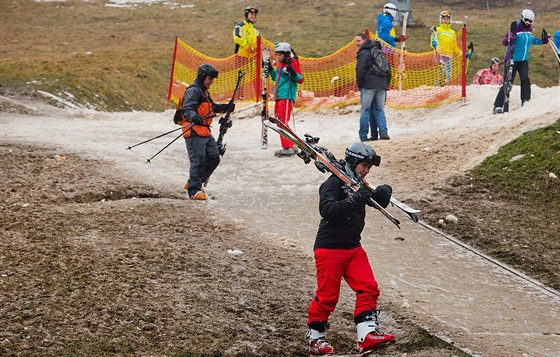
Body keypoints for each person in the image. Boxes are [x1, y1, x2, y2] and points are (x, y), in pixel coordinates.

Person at [306, 142, 395, 356]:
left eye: (369, 168)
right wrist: (354, 200)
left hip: (353, 247)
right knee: (328, 296)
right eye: (363, 165)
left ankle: (367, 336)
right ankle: (315, 340)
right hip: (329, 248)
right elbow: (327, 210)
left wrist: (381, 197)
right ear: (353, 162)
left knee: (369, 287)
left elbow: (368, 199)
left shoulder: (358, 184)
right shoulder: (333, 183)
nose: (366, 170)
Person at [180, 64, 235, 200]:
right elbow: (187, 108)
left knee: (214, 156)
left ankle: (193, 181)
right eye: (210, 79)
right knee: (198, 161)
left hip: (204, 131)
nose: (211, 82)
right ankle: (194, 191)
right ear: (202, 77)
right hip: (193, 131)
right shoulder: (193, 91)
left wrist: (226, 107)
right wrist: (194, 117)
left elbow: (212, 108)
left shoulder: (204, 92)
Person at [493, 9, 550, 114]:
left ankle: (525, 101)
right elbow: (505, 42)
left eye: (531, 21)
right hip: (512, 59)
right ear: (522, 18)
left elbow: (532, 40)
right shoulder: (515, 28)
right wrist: (510, 38)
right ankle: (497, 106)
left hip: (524, 60)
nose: (528, 23)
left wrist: (543, 40)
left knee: (525, 80)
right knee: (508, 82)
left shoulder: (529, 30)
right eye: (527, 20)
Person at [264, 42, 304, 157]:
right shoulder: (280, 64)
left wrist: (292, 72)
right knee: (279, 121)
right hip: (279, 95)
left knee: (282, 121)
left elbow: (300, 79)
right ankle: (292, 144)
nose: (278, 56)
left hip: (286, 96)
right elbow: (275, 77)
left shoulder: (292, 63)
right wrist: (270, 68)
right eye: (277, 54)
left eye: (280, 54)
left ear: (286, 54)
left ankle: (288, 146)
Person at [355, 33, 391, 141]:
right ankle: (383, 133)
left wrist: (360, 85)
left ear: (365, 40)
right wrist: (385, 84)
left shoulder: (364, 53)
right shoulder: (379, 52)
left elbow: (360, 71)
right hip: (381, 85)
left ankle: (363, 136)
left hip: (368, 85)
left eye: (358, 41)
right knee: (380, 110)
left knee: (365, 110)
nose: (356, 43)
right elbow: (388, 70)